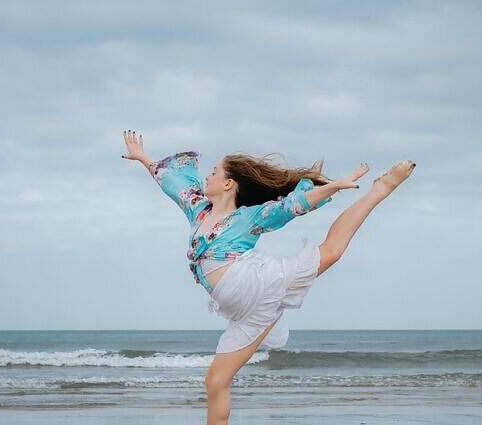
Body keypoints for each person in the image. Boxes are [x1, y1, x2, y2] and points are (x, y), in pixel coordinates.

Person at [121, 129, 414, 425]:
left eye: (213, 172)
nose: (206, 176)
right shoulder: (196, 208)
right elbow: (169, 182)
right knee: (215, 381)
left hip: (261, 284)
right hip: (245, 314)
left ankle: (380, 189)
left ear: (227, 183)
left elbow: (291, 207)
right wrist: (142, 156)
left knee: (333, 251)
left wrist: (334, 186)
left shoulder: (249, 218)